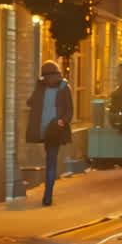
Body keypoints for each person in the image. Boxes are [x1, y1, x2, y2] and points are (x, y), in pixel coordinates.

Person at [26, 60, 74, 206]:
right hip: (49, 129)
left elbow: (30, 102)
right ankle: (48, 197)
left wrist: (62, 121)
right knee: (51, 161)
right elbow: (69, 110)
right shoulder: (52, 87)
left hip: (51, 129)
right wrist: (62, 121)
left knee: (50, 161)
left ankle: (47, 196)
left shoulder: (52, 87)